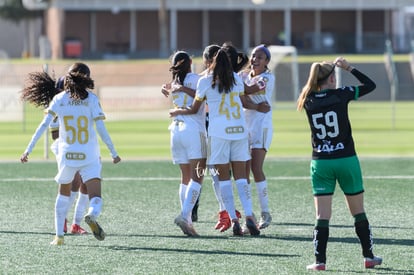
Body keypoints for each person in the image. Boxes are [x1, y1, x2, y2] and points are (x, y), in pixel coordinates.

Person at [20, 62, 121, 245]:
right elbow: (101, 129)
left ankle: (59, 236)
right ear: (87, 79)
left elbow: (43, 126)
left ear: (69, 78)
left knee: (63, 194)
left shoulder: (59, 99)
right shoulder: (92, 99)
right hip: (89, 155)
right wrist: (113, 152)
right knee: (96, 196)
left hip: (67, 154)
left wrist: (28, 149)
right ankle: (90, 215)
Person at [297, 57, 382, 270]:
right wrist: (349, 67)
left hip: (321, 163)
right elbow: (370, 85)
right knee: (358, 212)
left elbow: (313, 90)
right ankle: (369, 256)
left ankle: (320, 261)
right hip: (346, 160)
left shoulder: (307, 99)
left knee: (322, 216)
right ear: (332, 78)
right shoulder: (341, 94)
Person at [170, 48, 260, 236]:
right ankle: (250, 216)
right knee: (242, 177)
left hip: (219, 134)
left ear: (211, 63)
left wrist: (178, 111)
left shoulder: (205, 82)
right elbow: (244, 100)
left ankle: (234, 220)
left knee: (223, 178)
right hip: (239, 132)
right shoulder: (236, 79)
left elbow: (195, 109)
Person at [21, 72, 89, 235]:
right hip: (63, 147)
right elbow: (54, 134)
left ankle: (75, 223)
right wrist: (28, 150)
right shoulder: (56, 106)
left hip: (78, 147)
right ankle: (66, 221)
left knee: (84, 182)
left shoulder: (75, 103)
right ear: (60, 90)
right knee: (74, 181)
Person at [161, 51, 207, 236]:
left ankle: (187, 221)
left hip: (176, 131)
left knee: (185, 178)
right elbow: (200, 95)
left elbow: (174, 89)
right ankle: (185, 215)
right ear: (190, 62)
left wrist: (175, 88)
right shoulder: (196, 79)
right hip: (193, 131)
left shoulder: (174, 83)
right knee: (198, 176)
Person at [239, 44, 274, 230]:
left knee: (255, 167)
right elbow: (239, 96)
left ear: (267, 61)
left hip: (262, 125)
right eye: (253, 56)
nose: (255, 60)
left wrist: (239, 90)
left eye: (260, 57)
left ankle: (266, 212)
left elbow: (247, 91)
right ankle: (249, 216)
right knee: (243, 171)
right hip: (244, 125)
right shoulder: (243, 76)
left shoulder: (267, 77)